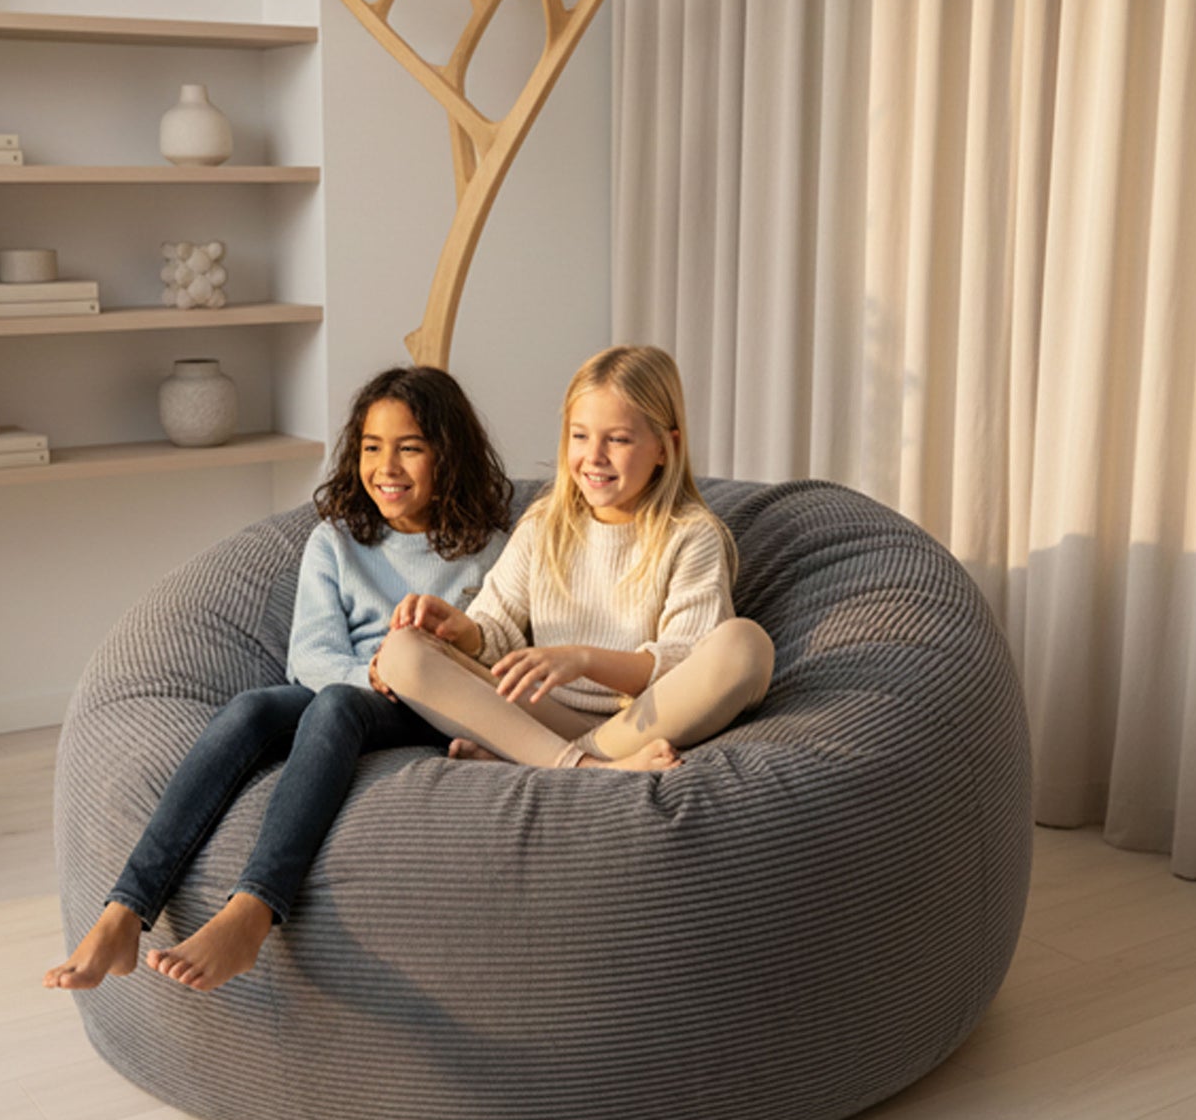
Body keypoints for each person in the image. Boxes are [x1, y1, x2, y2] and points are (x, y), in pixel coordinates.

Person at [43, 365, 511, 993]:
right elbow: (311, 658)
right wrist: (371, 672)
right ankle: (125, 909)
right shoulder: (337, 541)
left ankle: (251, 911)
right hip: (353, 686)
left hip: (426, 706)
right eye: (372, 448)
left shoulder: (491, 549)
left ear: (447, 454)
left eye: (410, 448)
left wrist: (415, 673)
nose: (387, 467)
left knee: (336, 708)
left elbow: (500, 652)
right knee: (252, 709)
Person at [378, 345, 775, 771]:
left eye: (618, 439)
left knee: (746, 645)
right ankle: (585, 767)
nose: (594, 456)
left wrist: (581, 659)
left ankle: (548, 761)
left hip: (641, 720)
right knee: (400, 651)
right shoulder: (544, 524)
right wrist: (463, 631)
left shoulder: (691, 535)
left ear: (665, 446)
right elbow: (497, 640)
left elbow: (681, 664)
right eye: (580, 436)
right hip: (539, 718)